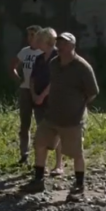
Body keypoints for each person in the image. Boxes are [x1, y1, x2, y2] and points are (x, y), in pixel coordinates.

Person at [26, 32, 99, 195]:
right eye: (59, 43)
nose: (60, 46)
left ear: (73, 46)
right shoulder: (53, 64)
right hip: (52, 115)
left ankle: (79, 184)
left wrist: (79, 105)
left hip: (72, 119)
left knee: (76, 153)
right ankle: (38, 180)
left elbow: (93, 92)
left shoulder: (82, 67)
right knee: (39, 143)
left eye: (64, 43)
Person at [29, 27, 64, 176]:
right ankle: (42, 165)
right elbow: (32, 79)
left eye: (39, 40)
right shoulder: (39, 58)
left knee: (57, 132)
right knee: (42, 132)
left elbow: (56, 80)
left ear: (47, 41)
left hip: (54, 101)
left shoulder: (58, 57)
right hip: (38, 102)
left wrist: (42, 95)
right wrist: (33, 94)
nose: (36, 43)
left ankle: (59, 164)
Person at [10, 25, 44, 165]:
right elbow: (13, 66)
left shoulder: (43, 52)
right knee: (25, 123)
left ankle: (41, 154)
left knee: (41, 122)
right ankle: (24, 154)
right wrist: (19, 80)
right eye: (28, 35)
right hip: (25, 90)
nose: (30, 38)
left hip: (39, 90)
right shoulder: (24, 52)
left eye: (33, 35)